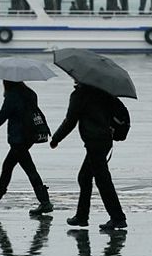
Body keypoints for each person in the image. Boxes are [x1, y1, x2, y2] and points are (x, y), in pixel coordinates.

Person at [50, 83, 127, 230]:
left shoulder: (80, 95)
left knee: (102, 180)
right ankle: (82, 217)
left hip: (94, 141)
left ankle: (117, 218)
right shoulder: (103, 91)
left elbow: (70, 120)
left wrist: (56, 138)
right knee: (85, 177)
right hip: (105, 140)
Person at [0, 80, 53, 215]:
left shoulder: (12, 97)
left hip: (19, 139)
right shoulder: (30, 93)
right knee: (11, 167)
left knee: (24, 169)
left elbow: (0, 118)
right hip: (29, 136)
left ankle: (44, 202)